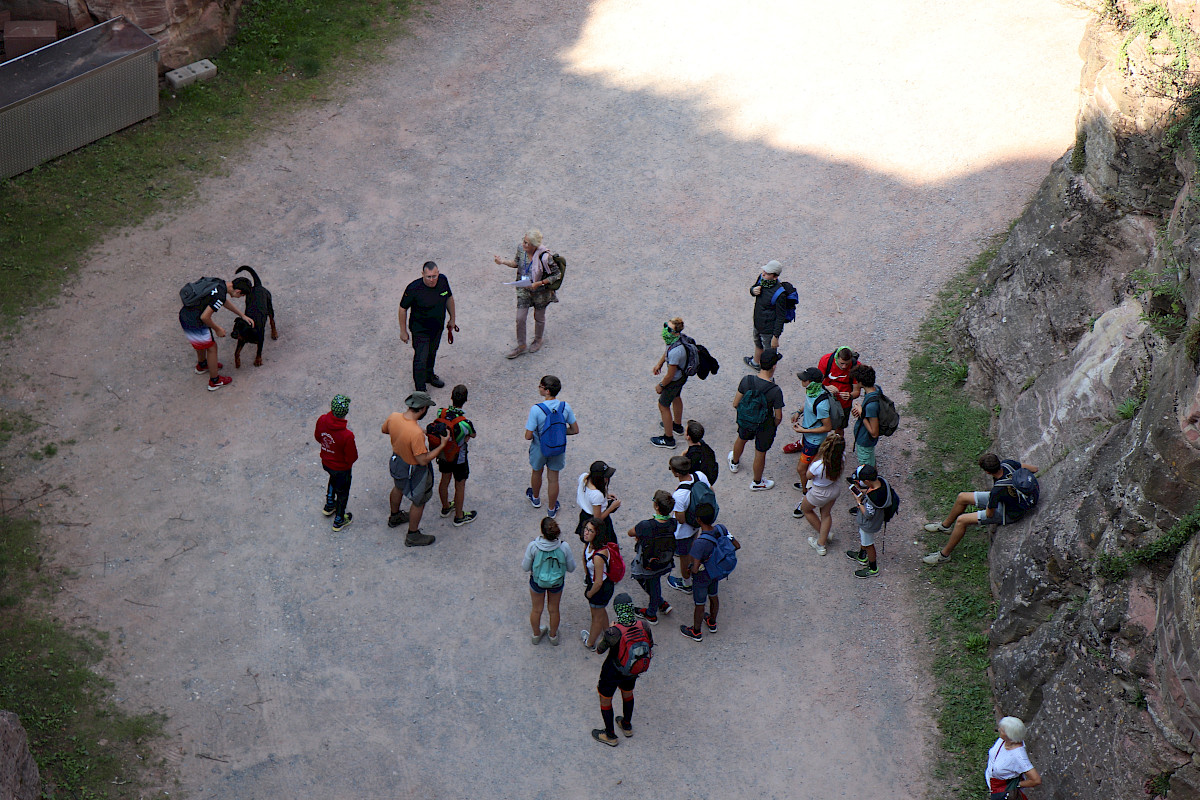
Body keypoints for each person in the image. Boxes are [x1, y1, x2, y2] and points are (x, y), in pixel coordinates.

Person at [923, 454, 1040, 565]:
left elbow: (990, 514)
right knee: (962, 497)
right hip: (1006, 500)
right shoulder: (1008, 464)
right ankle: (945, 526)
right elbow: (1034, 469)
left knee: (962, 520)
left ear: (988, 472)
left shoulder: (997, 490)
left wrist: (989, 504)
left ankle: (944, 556)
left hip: (1008, 513)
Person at [381, 391, 446, 547]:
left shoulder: (394, 416)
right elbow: (422, 460)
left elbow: (385, 430)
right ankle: (412, 535)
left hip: (397, 461)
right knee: (419, 500)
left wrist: (412, 432)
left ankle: (394, 517)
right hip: (413, 469)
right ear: (423, 409)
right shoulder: (416, 433)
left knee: (398, 487)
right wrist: (442, 445)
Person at [591, 593, 653, 746]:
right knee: (628, 693)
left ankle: (610, 735)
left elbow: (599, 650)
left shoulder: (614, 632)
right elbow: (650, 645)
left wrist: (609, 631)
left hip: (612, 671)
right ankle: (626, 725)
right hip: (631, 670)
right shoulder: (643, 625)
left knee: (606, 699)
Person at [178, 275, 255, 391]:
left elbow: (223, 301)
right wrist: (217, 329)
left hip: (186, 316)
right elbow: (205, 317)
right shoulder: (220, 295)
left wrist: (242, 315)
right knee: (212, 347)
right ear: (238, 291)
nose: (239, 298)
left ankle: (202, 365)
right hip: (195, 322)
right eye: (241, 295)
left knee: (202, 344)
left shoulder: (220, 283)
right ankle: (215, 381)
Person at [494, 229, 559, 358]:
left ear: (534, 246)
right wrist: (502, 262)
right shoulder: (521, 249)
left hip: (541, 293)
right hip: (524, 288)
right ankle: (521, 346)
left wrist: (539, 283)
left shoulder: (546, 257)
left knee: (539, 317)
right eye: (523, 241)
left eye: (527, 243)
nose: (523, 244)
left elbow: (557, 274)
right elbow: (516, 263)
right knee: (520, 318)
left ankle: (538, 339)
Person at [728, 346, 785, 490]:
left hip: (746, 420)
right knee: (760, 452)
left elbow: (735, 403)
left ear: (759, 363)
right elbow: (778, 417)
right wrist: (772, 426)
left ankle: (734, 462)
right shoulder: (775, 390)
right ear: (774, 366)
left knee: (741, 438)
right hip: (764, 425)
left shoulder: (747, 380)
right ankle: (757, 482)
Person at [784, 347, 859, 453]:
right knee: (814, 423)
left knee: (839, 428)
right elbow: (818, 380)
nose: (844, 367)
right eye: (842, 363)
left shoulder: (856, 366)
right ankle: (803, 442)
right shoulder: (826, 360)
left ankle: (836, 451)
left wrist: (850, 396)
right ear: (836, 358)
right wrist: (827, 387)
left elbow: (857, 391)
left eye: (847, 364)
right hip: (824, 400)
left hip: (843, 405)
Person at [525, 375, 580, 518]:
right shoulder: (565, 407)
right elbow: (575, 429)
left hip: (539, 447)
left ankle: (535, 498)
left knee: (537, 471)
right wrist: (559, 434)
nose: (539, 388)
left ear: (547, 391)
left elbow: (528, 435)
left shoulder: (536, 409)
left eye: (541, 386)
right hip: (557, 448)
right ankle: (551, 508)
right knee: (554, 478)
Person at [398, 261, 457, 392]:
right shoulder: (413, 288)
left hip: (437, 327)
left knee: (432, 352)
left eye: (434, 276)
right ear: (422, 275)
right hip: (420, 330)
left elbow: (449, 298)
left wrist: (452, 319)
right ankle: (420, 390)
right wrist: (403, 331)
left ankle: (429, 376)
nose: (432, 280)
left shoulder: (443, 281)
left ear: (438, 273)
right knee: (421, 358)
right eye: (428, 277)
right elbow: (402, 309)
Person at [523, 517, 576, 645]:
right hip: (556, 583)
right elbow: (571, 568)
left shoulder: (533, 546)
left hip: (537, 582)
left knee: (536, 609)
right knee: (554, 609)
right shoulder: (564, 547)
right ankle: (553, 636)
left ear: (542, 531)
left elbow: (525, 567)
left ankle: (536, 635)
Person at [679, 503, 727, 641]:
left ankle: (696, 631)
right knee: (714, 595)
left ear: (698, 520)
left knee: (700, 603)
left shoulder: (699, 543)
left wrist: (690, 570)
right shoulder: (721, 529)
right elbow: (736, 545)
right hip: (715, 571)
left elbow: (695, 568)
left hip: (702, 577)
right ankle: (712, 622)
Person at [628, 490, 677, 624]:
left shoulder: (646, 525)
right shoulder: (673, 523)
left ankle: (651, 613)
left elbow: (630, 532)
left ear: (656, 506)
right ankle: (660, 603)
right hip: (665, 561)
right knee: (653, 582)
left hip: (648, 563)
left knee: (645, 579)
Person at [666, 455, 712, 593]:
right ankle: (695, 566)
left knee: (684, 557)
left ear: (676, 473)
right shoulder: (700, 475)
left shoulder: (679, 495)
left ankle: (686, 584)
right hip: (698, 523)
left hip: (684, 532)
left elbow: (680, 519)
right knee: (693, 545)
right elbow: (711, 492)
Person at [434, 384, 477, 527]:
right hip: (458, 457)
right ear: (466, 400)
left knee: (444, 480)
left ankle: (446, 507)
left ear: (451, 397)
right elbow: (472, 434)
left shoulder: (441, 412)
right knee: (460, 485)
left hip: (443, 453)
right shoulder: (465, 423)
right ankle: (459, 516)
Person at [796, 432, 845, 556]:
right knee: (826, 514)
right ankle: (823, 538)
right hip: (834, 489)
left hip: (819, 492)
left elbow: (808, 476)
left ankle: (822, 542)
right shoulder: (842, 458)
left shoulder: (819, 465)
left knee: (806, 509)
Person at [314, 394, 358, 532]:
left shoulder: (322, 420)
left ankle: (329, 504)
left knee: (332, 479)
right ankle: (339, 519)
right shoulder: (347, 435)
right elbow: (352, 457)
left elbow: (318, 437)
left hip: (326, 462)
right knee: (343, 492)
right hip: (342, 469)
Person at [846, 464, 893, 578]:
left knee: (869, 544)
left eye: (862, 481)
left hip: (869, 524)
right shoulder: (882, 481)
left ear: (867, 481)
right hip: (877, 519)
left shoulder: (873, 498)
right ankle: (862, 556)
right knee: (864, 539)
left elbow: (868, 514)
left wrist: (859, 502)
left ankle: (873, 568)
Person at [650, 317, 689, 449]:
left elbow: (670, 375)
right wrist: (660, 364)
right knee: (676, 397)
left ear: (676, 333)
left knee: (663, 405)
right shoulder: (675, 341)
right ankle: (676, 426)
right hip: (681, 377)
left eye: (669, 328)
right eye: (665, 325)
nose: (665, 330)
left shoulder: (676, 352)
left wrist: (661, 385)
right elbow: (667, 351)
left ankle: (668, 439)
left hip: (674, 380)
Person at [791, 366, 834, 479]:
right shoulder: (812, 391)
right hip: (808, 436)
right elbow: (808, 402)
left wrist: (804, 430)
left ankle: (806, 490)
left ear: (811, 382)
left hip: (814, 441)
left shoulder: (822, 405)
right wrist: (798, 412)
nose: (802, 381)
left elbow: (827, 427)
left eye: (804, 379)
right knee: (811, 463)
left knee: (801, 469)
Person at [580, 517, 617, 650]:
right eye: (586, 529)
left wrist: (589, 593)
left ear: (597, 534)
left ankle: (590, 643)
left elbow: (599, 583)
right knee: (600, 612)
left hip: (600, 589)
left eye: (590, 531)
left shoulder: (598, 556)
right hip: (597, 585)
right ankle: (608, 633)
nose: (586, 532)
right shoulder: (590, 545)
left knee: (596, 616)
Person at [744, 259, 788, 370]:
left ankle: (768, 377)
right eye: (764, 271)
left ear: (775, 277)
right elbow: (752, 288)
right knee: (758, 343)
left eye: (767, 273)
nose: (763, 274)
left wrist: (776, 337)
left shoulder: (780, 294)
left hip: (768, 330)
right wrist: (753, 291)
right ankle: (755, 363)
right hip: (758, 323)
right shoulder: (761, 279)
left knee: (770, 356)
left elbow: (780, 317)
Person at [986, 717, 1042, 798]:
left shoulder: (1019, 756)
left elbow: (1036, 780)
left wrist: (1016, 784)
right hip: (993, 781)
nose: (999, 730)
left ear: (1010, 735)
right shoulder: (1004, 740)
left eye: (1002, 730)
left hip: (1002, 786)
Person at [577, 460, 621, 542]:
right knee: (605, 543)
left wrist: (605, 496)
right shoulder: (597, 495)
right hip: (594, 520)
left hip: (584, 515)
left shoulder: (584, 477)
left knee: (588, 543)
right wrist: (612, 507)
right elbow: (597, 519)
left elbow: (587, 494)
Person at [850, 364, 881, 468]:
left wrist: (861, 414)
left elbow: (874, 433)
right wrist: (861, 411)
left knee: (867, 469)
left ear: (861, 383)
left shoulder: (871, 406)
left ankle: (869, 483)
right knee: (871, 461)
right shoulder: (876, 389)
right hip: (865, 440)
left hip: (865, 441)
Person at [683, 419, 718, 485]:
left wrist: (682, 455)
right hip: (711, 474)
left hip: (702, 482)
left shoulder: (691, 456)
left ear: (688, 437)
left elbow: (687, 473)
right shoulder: (704, 445)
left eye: (685, 431)